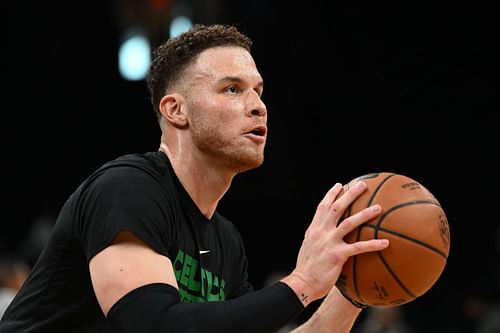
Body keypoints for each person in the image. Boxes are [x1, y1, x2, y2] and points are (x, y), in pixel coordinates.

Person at [0, 23, 388, 332]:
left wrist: (352, 289)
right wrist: (302, 283)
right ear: (175, 110)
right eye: (232, 89)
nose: (257, 106)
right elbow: (154, 324)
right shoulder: (128, 188)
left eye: (259, 91)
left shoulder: (226, 243)